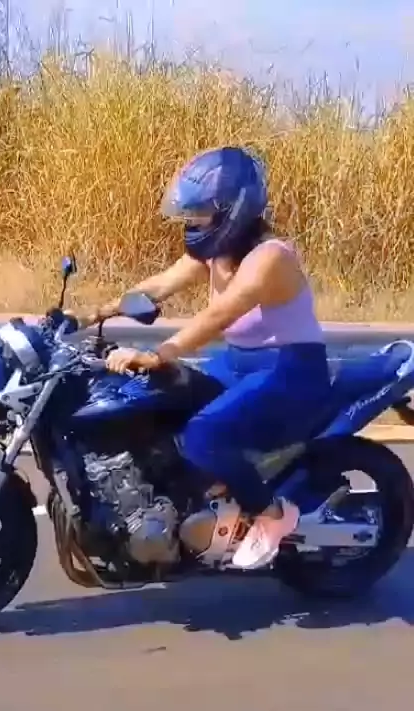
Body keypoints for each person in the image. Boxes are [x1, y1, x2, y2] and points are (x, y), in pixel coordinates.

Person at [76, 146, 331, 570]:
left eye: (200, 214)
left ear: (233, 210)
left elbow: (220, 314)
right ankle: (191, 498)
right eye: (189, 214)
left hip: (291, 372)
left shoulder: (270, 258)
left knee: (203, 434)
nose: (192, 223)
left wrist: (160, 353)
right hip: (239, 365)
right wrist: (91, 315)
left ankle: (271, 516)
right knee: (159, 399)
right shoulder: (217, 253)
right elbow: (160, 285)